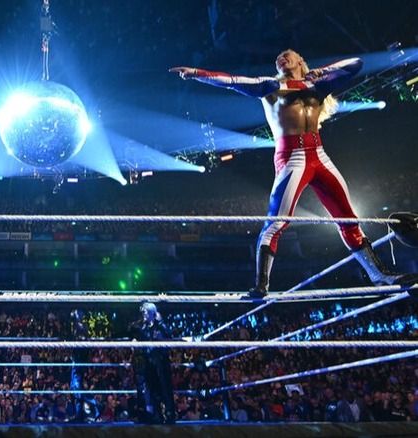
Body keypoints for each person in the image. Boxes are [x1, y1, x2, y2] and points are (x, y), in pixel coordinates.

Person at [170, 50, 418, 298]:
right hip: (292, 158)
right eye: (278, 57)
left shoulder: (317, 86)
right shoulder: (270, 86)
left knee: (349, 220)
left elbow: (356, 64)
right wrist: (196, 74)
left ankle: (381, 277)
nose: (281, 57)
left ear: (300, 61)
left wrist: (322, 70)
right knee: (277, 222)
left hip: (319, 155)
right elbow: (233, 81)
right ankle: (261, 285)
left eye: (287, 54)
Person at [131, 302, 176, 425]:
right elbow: (133, 330)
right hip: (149, 362)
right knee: (153, 389)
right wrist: (135, 341)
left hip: (161, 361)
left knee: (165, 389)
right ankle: (157, 415)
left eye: (145, 312)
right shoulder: (143, 327)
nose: (143, 314)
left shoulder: (160, 325)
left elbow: (170, 337)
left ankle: (170, 414)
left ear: (152, 313)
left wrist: (160, 327)